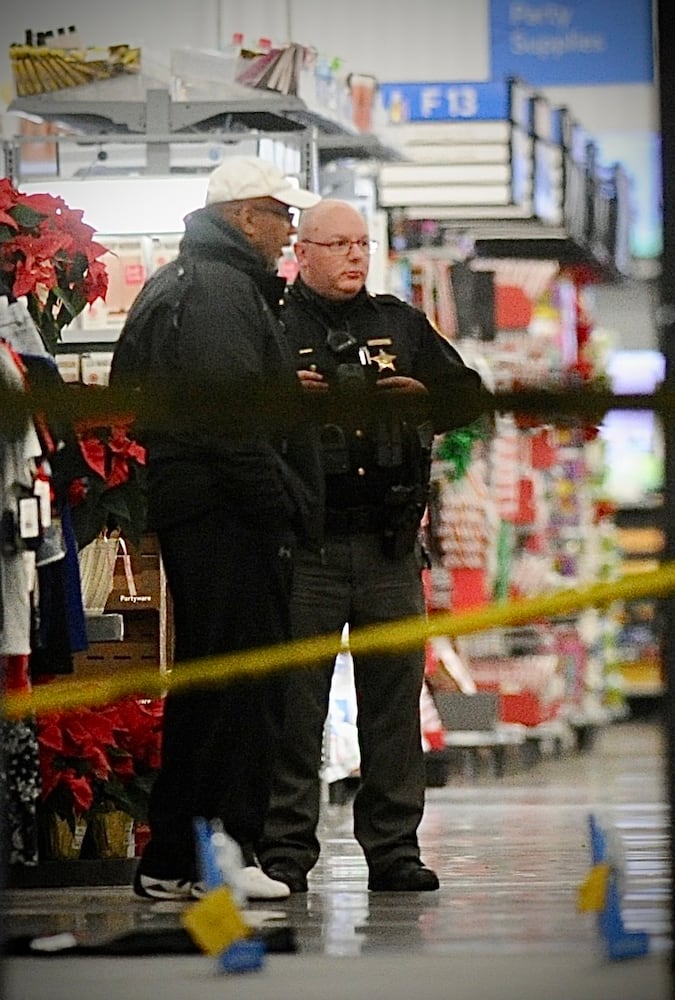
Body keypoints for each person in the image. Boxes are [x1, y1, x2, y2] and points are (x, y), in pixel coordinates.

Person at [256, 199, 491, 892]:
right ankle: (285, 855)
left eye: (362, 243)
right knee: (294, 708)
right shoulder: (272, 322)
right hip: (306, 548)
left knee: (392, 712)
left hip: (389, 546)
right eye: (338, 244)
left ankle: (393, 852)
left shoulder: (398, 322)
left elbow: (468, 400)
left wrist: (422, 397)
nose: (355, 256)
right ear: (301, 251)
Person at [108, 156, 323, 901]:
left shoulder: (196, 284)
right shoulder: (219, 292)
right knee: (240, 690)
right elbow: (228, 425)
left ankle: (179, 858)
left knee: (213, 686)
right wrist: (280, 505)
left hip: (207, 508)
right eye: (280, 213)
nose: (289, 229)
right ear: (242, 217)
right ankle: (223, 854)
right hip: (226, 516)